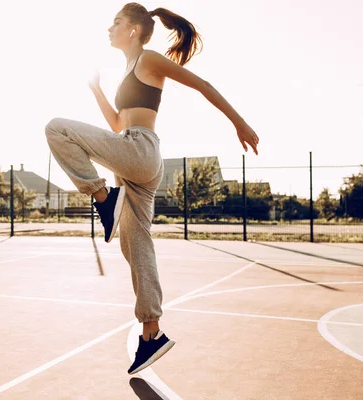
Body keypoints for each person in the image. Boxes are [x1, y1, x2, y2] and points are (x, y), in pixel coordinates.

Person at [45, 2, 259, 375]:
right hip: (130, 162)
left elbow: (202, 85)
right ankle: (151, 333)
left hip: (139, 150)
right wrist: (96, 89)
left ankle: (102, 199)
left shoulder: (149, 59)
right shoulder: (126, 70)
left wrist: (239, 122)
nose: (108, 28)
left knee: (56, 127)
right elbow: (114, 125)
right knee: (136, 246)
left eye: (115, 22)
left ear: (132, 30)